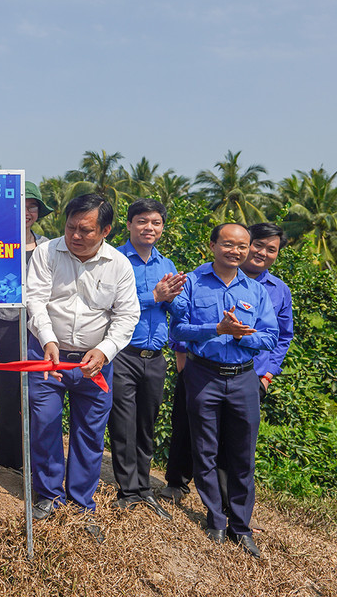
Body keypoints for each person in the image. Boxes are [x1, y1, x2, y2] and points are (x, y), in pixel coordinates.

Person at [24, 193, 140, 519]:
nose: (75, 235)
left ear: (105, 230)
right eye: (70, 227)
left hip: (94, 364)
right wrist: (47, 340)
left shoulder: (119, 265)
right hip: (47, 357)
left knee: (89, 434)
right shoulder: (47, 253)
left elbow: (127, 316)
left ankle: (81, 505)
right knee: (44, 424)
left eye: (85, 230)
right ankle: (48, 495)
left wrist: (104, 351)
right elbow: (35, 301)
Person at [169, 223, 278, 558]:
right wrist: (216, 328)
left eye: (242, 247)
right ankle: (215, 518)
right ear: (213, 245)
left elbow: (270, 337)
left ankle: (240, 527)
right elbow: (179, 329)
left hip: (243, 378)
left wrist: (242, 335)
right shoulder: (192, 283)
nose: (236, 251)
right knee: (206, 450)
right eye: (228, 244)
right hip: (204, 374)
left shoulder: (256, 290)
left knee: (243, 453)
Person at [107, 199, 187, 518]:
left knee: (146, 424)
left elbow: (176, 311)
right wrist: (155, 296)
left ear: (162, 227)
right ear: (129, 224)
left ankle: (143, 487)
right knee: (123, 423)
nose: (148, 228)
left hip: (155, 357)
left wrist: (176, 298)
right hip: (123, 353)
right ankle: (128, 490)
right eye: (142, 221)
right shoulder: (113, 259)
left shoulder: (165, 265)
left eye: (155, 222)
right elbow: (111, 304)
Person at [0, 182, 51, 470]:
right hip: (4, 324)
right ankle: (8, 459)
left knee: (37, 393)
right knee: (7, 391)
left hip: (37, 327)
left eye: (32, 207)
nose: (27, 212)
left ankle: (35, 456)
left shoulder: (47, 246)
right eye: (22, 205)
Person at [242, 222, 294, 399]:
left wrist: (267, 375)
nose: (262, 253)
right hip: (209, 372)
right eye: (258, 245)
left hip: (254, 377)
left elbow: (284, 335)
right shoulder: (216, 277)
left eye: (271, 249)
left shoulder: (280, 290)